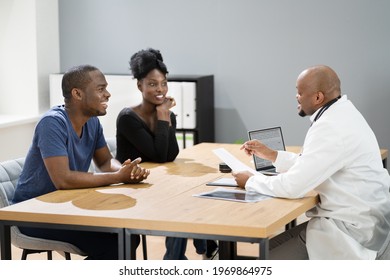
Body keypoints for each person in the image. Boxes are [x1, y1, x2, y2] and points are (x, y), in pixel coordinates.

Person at [233, 65, 390, 259]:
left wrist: (250, 181)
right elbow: (315, 163)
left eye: (299, 92)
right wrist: (273, 155)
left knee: (264, 261)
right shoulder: (344, 113)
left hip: (349, 231)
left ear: (317, 98)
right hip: (370, 223)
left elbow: (293, 187)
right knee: (265, 251)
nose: (296, 97)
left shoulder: (330, 127)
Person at [12, 64, 150, 260]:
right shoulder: (52, 123)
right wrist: (117, 177)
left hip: (65, 207)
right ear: (77, 93)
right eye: (101, 89)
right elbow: (64, 180)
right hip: (33, 215)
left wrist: (126, 171)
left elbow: (105, 162)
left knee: (126, 235)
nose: (108, 94)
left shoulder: (92, 122)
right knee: (117, 240)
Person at [116, 48, 218, 260]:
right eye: (152, 84)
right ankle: (189, 255)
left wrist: (166, 117)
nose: (160, 89)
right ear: (139, 85)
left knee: (192, 195)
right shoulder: (128, 118)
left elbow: (171, 154)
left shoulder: (167, 114)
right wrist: (164, 116)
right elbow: (159, 156)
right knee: (180, 205)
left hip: (156, 183)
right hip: (131, 189)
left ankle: (188, 255)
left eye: (163, 83)